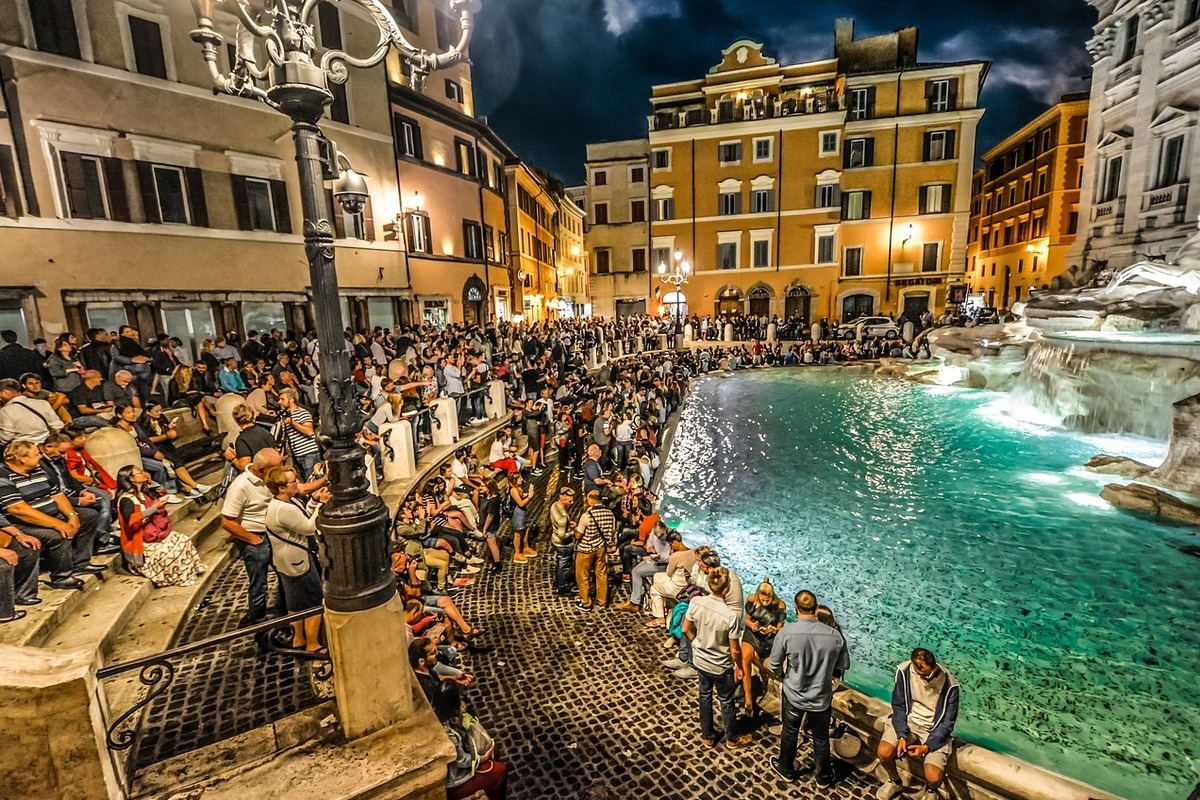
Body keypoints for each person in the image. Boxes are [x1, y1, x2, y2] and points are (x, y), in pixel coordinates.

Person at [768, 589, 849, 786]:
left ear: (796, 608)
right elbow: (843, 665)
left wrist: (783, 677)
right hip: (821, 696)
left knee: (790, 732)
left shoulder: (786, 632)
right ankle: (823, 776)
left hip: (794, 694)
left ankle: (786, 769)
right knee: (821, 737)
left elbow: (774, 664)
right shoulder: (835, 636)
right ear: (815, 607)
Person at [0, 439, 103, 587]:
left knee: (89, 516)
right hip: (23, 522)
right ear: (22, 458)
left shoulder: (38, 469)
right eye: (36, 454)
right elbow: (18, 509)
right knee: (57, 535)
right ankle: (61, 576)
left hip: (51, 512)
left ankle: (81, 562)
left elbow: (56, 494)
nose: (41, 457)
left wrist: (72, 516)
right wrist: (58, 524)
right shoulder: (4, 475)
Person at [876, 649, 961, 800]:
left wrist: (926, 747)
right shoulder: (905, 671)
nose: (923, 678)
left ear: (935, 667)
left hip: (933, 729)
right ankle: (895, 782)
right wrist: (902, 736)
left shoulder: (950, 686)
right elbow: (899, 705)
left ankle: (931, 791)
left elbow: (948, 723)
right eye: (919, 673)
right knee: (884, 752)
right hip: (909, 722)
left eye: (927, 674)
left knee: (934, 776)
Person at [683, 566, 753, 749]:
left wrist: (697, 642)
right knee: (726, 700)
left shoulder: (696, 602)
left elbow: (685, 629)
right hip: (721, 665)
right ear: (727, 587)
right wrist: (740, 667)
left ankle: (707, 736)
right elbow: (735, 650)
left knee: (704, 696)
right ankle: (732, 737)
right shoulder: (730, 616)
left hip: (701, 660)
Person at [264, 465, 327, 652]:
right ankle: (313, 643)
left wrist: (315, 501)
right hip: (297, 562)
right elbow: (308, 526)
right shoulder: (283, 509)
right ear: (281, 488)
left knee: (296, 603)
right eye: (293, 482)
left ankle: (298, 638)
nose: (297, 484)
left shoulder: (285, 502)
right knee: (313, 600)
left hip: (287, 562)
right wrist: (322, 505)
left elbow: (304, 514)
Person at [221, 448, 284, 627]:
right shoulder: (240, 486)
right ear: (261, 469)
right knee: (259, 583)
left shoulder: (267, 479)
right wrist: (254, 539)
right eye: (275, 468)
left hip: (272, 533)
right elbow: (226, 521)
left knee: (284, 574)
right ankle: (258, 622)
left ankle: (284, 611)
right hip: (255, 539)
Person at [113, 465, 203, 587]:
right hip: (140, 540)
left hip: (153, 531)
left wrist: (151, 482)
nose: (144, 473)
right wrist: (154, 508)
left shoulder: (143, 492)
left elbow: (162, 491)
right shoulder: (126, 499)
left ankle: (190, 571)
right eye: (140, 472)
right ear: (131, 479)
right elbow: (131, 520)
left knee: (183, 540)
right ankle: (177, 577)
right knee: (170, 552)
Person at [740, 578, 787, 717]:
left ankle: (745, 686)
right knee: (745, 659)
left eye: (767, 600)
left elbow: (780, 628)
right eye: (763, 600)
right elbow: (747, 620)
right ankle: (748, 698)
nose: (765, 603)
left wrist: (773, 630)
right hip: (752, 635)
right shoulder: (752, 600)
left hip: (768, 639)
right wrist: (751, 625)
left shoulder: (780, 606)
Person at [572, 489, 617, 611]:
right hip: (601, 548)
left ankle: (585, 602)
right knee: (601, 574)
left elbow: (578, 535)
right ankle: (602, 601)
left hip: (585, 550)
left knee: (583, 576)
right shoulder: (610, 514)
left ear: (591, 500)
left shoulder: (586, 516)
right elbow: (611, 532)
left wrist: (574, 529)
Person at [0, 378, 63, 445]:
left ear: (5, 392)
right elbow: (58, 426)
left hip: (23, 450)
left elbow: (6, 436)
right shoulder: (43, 403)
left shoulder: (5, 411)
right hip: (46, 447)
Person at [277, 388, 321, 480]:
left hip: (309, 454)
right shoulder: (285, 416)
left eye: (282, 399)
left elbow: (309, 431)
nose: (279, 402)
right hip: (297, 455)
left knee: (311, 480)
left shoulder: (302, 412)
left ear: (291, 400)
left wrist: (292, 422)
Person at [548, 485, 576, 596]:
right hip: (564, 545)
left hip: (555, 541)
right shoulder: (563, 517)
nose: (572, 502)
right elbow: (562, 535)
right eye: (570, 500)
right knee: (564, 566)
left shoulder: (554, 506)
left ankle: (557, 581)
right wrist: (574, 532)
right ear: (563, 498)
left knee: (559, 563)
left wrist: (569, 524)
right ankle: (562, 587)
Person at [507, 470, 536, 565]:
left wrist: (527, 494)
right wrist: (529, 497)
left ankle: (526, 547)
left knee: (525, 529)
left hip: (522, 512)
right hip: (517, 513)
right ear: (515, 480)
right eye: (519, 478)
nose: (521, 479)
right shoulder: (513, 490)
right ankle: (517, 553)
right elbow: (520, 503)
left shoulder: (518, 488)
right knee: (518, 533)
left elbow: (521, 495)